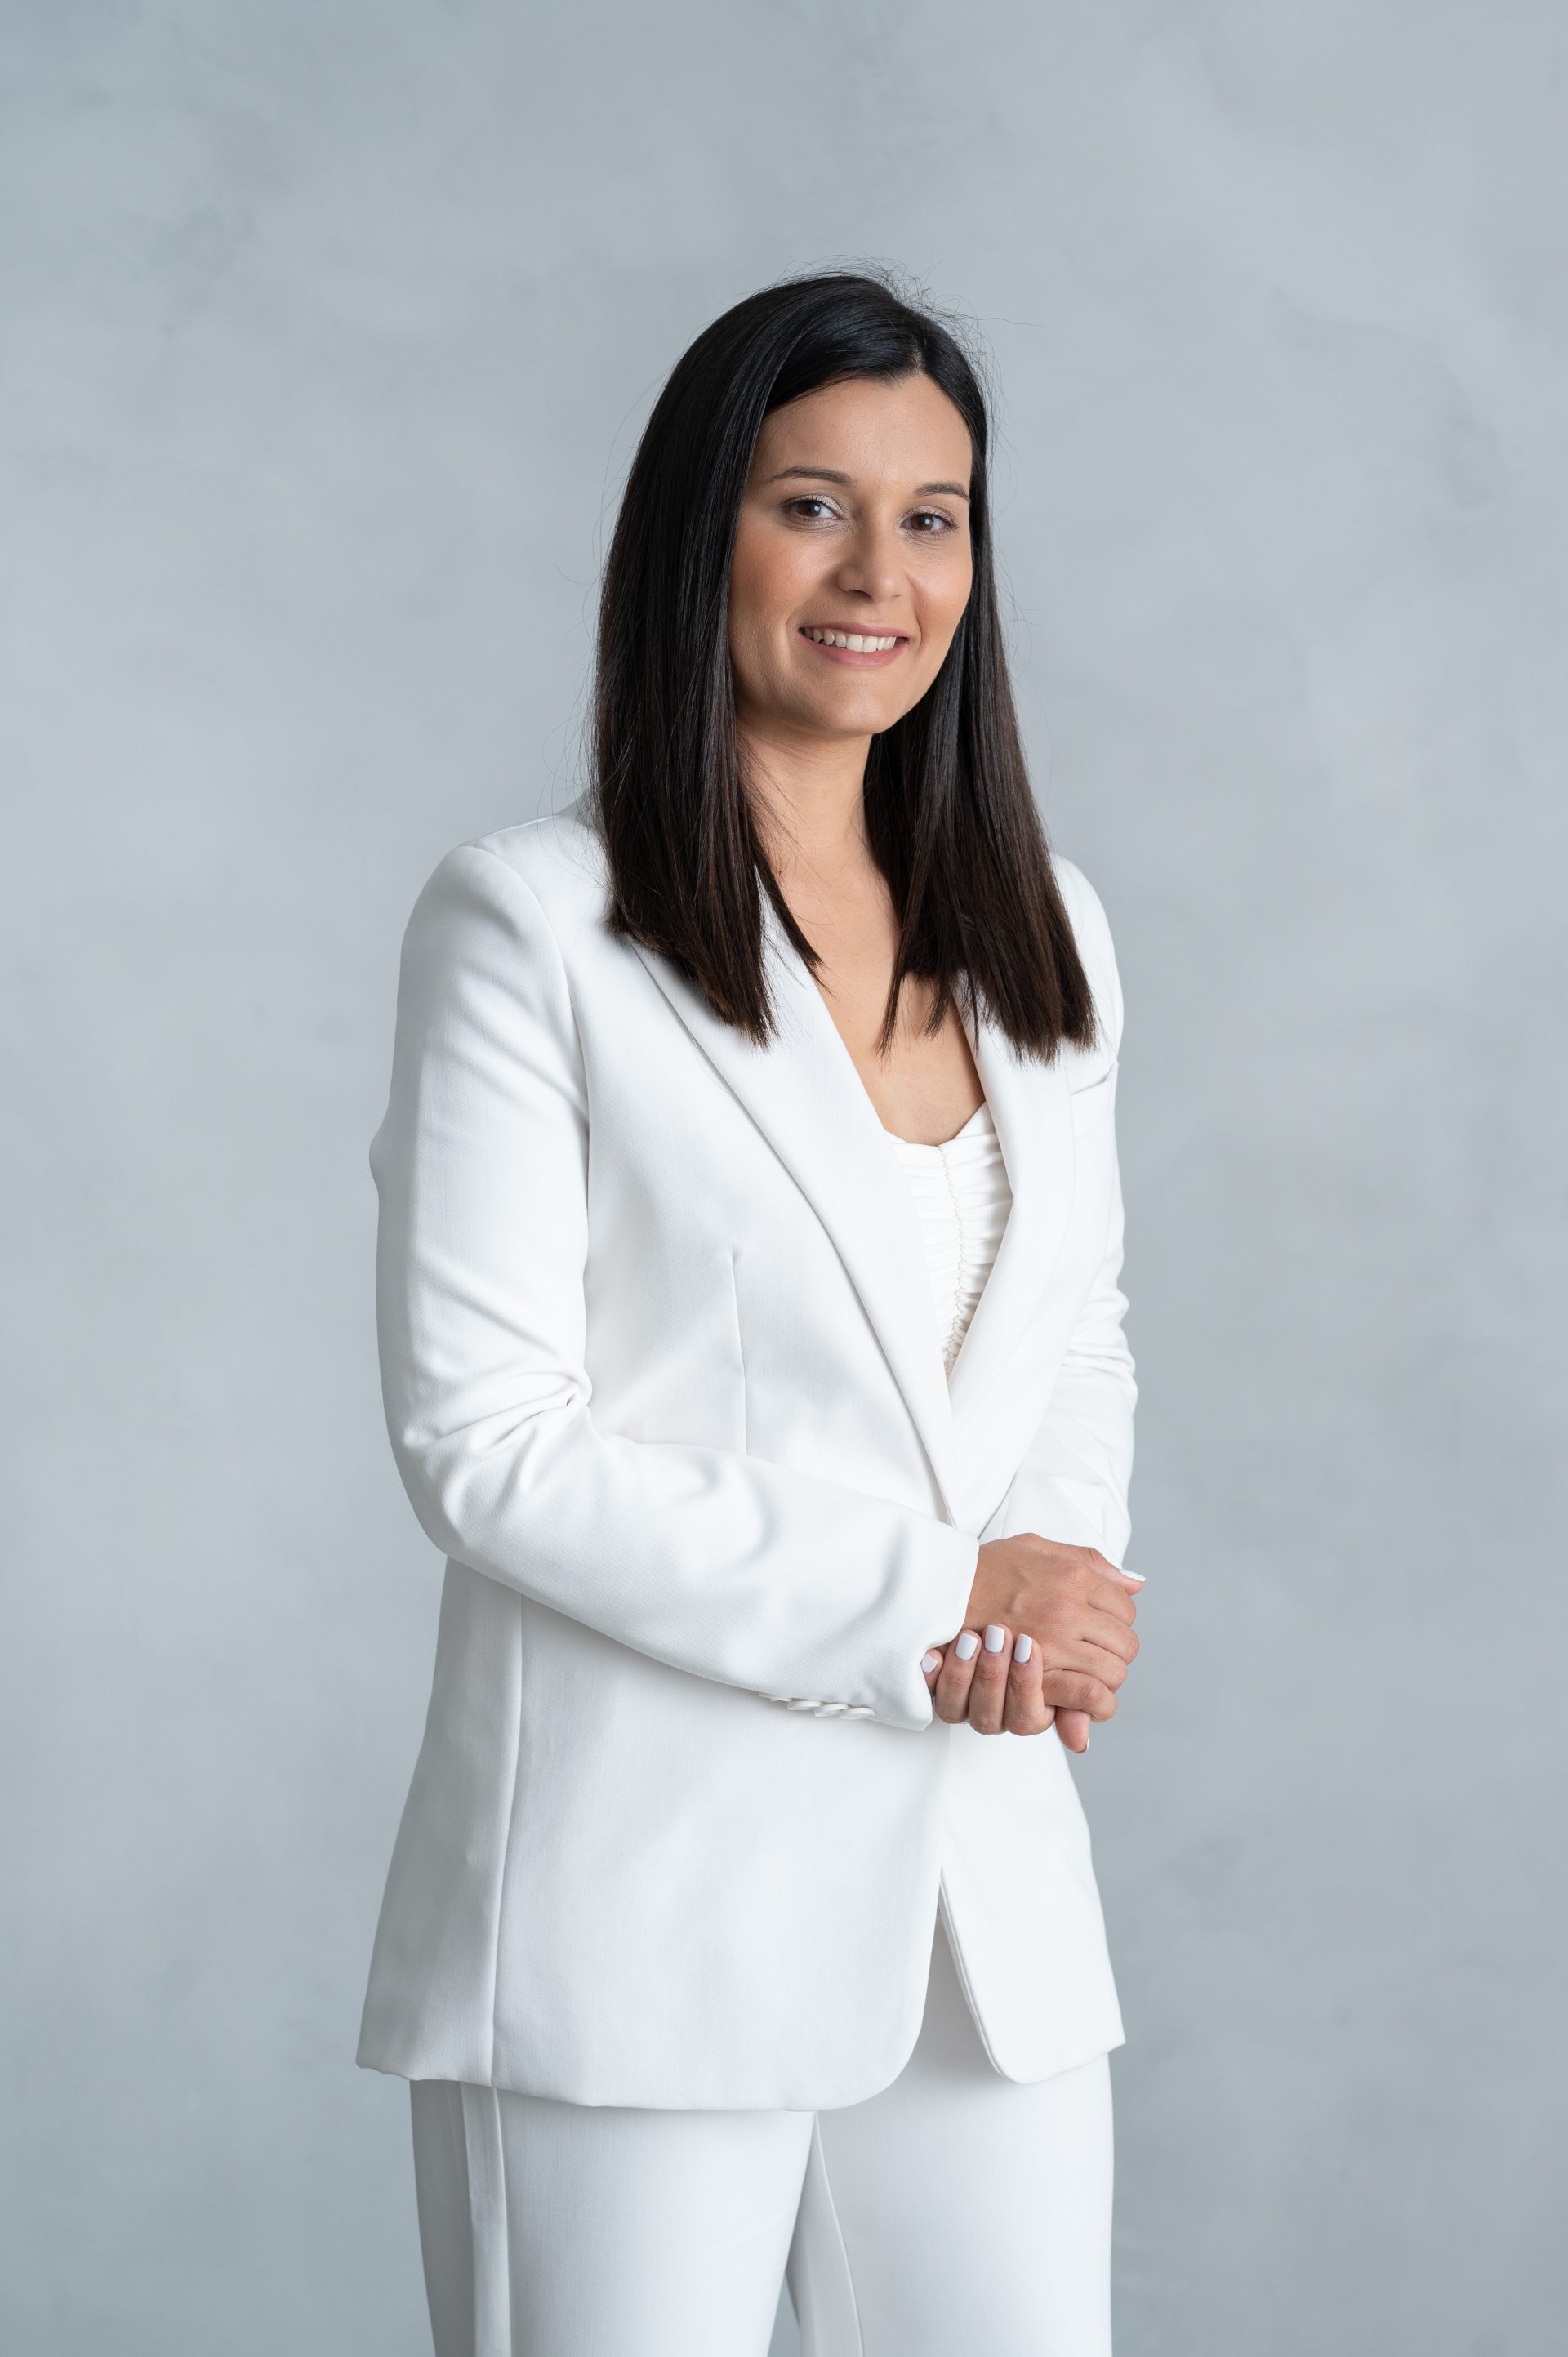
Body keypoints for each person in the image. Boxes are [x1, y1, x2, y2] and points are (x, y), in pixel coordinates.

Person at [356, 270, 1143, 2357]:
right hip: (638, 1906)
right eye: (813, 505)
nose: (881, 575)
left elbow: (1073, 1335)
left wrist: (1041, 1601)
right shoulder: (532, 926)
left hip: (981, 1918)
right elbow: (489, 1448)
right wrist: (942, 1596)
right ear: (698, 536)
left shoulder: (1049, 932)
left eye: (933, 516)